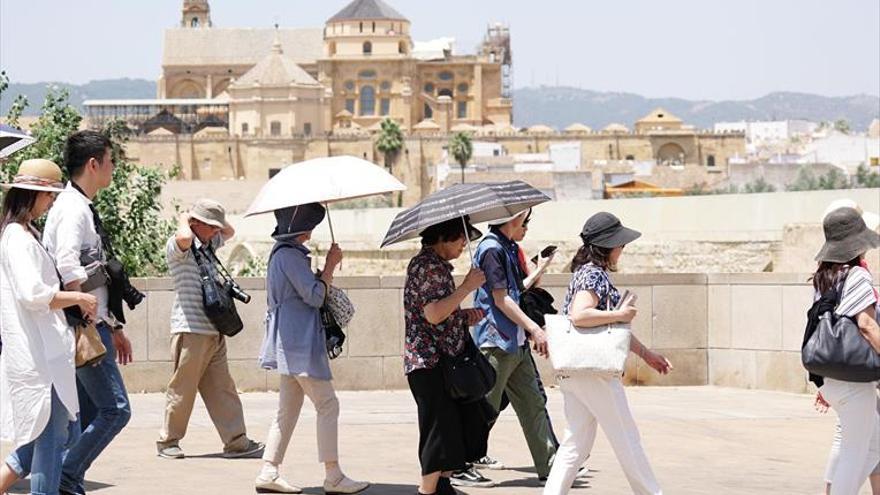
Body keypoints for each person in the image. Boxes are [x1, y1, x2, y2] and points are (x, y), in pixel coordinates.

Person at [544, 212, 671, 495]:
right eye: (620, 244)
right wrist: (621, 312)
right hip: (595, 373)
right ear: (609, 245)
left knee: (575, 443)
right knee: (626, 438)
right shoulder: (593, 274)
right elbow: (580, 315)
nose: (622, 249)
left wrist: (646, 354)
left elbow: (610, 327)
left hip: (576, 371)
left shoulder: (583, 272)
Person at [256, 203, 369, 494]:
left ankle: (269, 470)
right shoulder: (291, 258)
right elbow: (316, 296)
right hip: (299, 340)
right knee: (328, 404)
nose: (312, 229)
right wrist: (330, 267)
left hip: (288, 340)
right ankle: (333, 475)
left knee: (288, 410)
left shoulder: (281, 255)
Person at [42, 130, 132, 495]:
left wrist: (113, 325)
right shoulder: (72, 209)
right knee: (116, 410)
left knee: (88, 413)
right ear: (93, 164)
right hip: (84, 329)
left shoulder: (78, 206)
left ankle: (65, 477)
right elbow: (66, 264)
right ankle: (65, 473)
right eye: (110, 161)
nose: (113, 168)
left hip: (94, 325)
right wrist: (85, 322)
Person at [0, 159, 96, 495]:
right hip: (38, 355)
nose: (51, 202)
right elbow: (32, 294)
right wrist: (77, 298)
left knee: (54, 436)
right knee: (52, 439)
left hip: (46, 352)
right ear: (31, 195)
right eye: (47, 195)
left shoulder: (26, 234)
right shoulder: (17, 238)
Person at [155, 199, 264, 460]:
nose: (217, 231)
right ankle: (168, 441)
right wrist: (186, 217)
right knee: (183, 387)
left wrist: (213, 216)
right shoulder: (178, 246)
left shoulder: (207, 245)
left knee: (222, 388)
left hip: (214, 329)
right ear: (195, 224)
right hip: (191, 329)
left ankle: (236, 442)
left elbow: (230, 232)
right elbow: (183, 235)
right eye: (211, 226)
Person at [404, 217, 493, 495]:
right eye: (459, 239)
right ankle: (427, 490)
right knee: (438, 434)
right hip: (430, 364)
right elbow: (432, 314)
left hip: (443, 361)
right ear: (442, 238)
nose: (463, 245)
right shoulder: (428, 267)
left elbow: (440, 312)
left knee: (454, 430)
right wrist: (467, 287)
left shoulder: (438, 267)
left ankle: (442, 486)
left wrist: (465, 316)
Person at [469, 209, 556, 485]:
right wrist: (534, 328)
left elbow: (516, 292)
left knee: (534, 404)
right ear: (514, 218)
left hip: (513, 342)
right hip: (496, 343)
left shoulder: (506, 246)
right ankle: (458, 464)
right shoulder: (492, 249)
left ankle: (552, 466)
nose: (526, 224)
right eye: (525, 218)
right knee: (483, 409)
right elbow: (501, 299)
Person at [807, 206, 880, 495]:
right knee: (855, 453)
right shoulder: (858, 277)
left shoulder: (824, 277)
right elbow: (866, 325)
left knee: (871, 445)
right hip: (854, 382)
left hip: (832, 379)